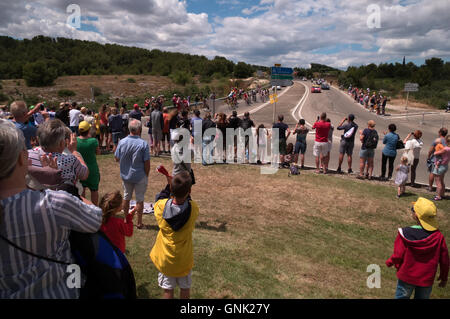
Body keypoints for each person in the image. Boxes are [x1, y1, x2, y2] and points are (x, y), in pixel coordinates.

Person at [0, 119, 102, 299]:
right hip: (57, 290)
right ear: (20, 157)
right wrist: (73, 193)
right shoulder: (55, 203)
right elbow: (95, 219)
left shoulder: (34, 155)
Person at [386, 197, 448, 299]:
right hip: (426, 279)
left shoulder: (404, 233)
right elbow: (444, 260)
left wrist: (390, 262)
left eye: (413, 209)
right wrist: (444, 277)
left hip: (406, 276)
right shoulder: (438, 237)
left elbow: (398, 255)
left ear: (416, 215)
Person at [149, 171, 198, 299]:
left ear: (171, 189)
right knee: (185, 288)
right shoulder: (193, 208)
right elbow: (188, 201)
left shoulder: (160, 207)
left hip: (166, 258)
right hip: (184, 259)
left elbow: (161, 198)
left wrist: (168, 186)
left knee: (168, 291)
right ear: (189, 191)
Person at [28, 119, 89, 198]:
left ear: (38, 138)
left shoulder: (27, 155)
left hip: (34, 200)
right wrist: (74, 151)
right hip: (64, 201)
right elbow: (84, 174)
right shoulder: (70, 160)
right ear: (61, 143)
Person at [115, 119, 150, 229]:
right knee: (140, 199)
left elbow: (116, 157)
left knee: (126, 197)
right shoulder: (143, 144)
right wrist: (146, 174)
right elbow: (147, 163)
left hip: (126, 174)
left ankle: (126, 219)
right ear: (139, 130)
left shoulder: (122, 142)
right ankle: (139, 223)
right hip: (140, 175)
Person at [77, 121, 101, 206]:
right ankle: (95, 209)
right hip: (92, 169)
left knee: (82, 189)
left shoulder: (76, 140)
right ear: (88, 130)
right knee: (94, 190)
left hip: (80, 168)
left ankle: (84, 208)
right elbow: (98, 152)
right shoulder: (93, 141)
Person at [432, 135, 450, 201]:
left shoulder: (445, 149)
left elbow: (436, 153)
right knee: (442, 181)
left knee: (438, 182)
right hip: (445, 166)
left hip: (440, 166)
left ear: (446, 141)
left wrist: (435, 151)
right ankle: (442, 194)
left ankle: (438, 196)